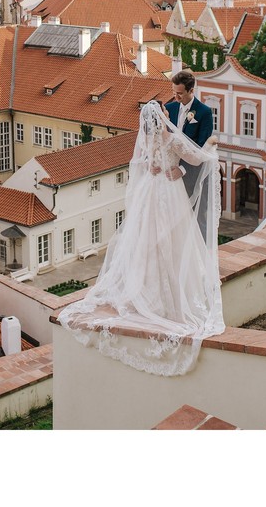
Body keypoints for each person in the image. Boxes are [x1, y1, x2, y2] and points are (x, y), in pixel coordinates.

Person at [57, 100, 224, 377]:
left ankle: (144, 289)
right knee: (173, 242)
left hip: (149, 193)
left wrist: (154, 167)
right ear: (162, 117)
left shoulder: (145, 139)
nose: (169, 113)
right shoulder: (171, 138)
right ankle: (168, 297)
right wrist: (210, 147)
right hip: (169, 193)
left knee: (146, 243)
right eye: (165, 112)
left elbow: (142, 163)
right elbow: (195, 159)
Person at [165, 69, 213, 237]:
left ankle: (201, 260)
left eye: (179, 94)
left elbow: (201, 149)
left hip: (193, 175)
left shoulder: (204, 113)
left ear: (191, 90)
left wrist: (183, 169)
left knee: (198, 220)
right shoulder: (168, 109)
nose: (176, 97)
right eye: (173, 92)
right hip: (169, 176)